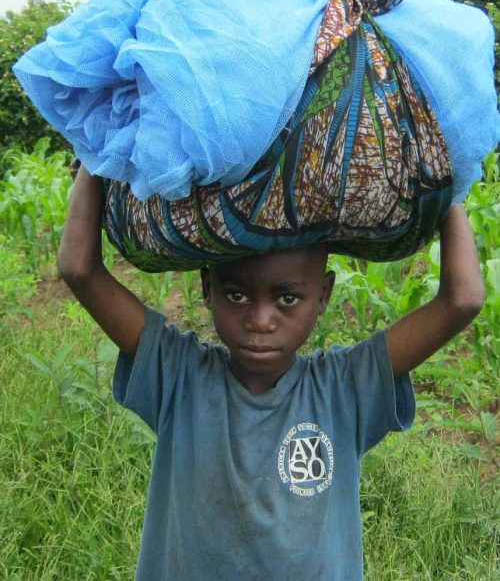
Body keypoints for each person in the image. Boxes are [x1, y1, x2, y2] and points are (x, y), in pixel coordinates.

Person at [58, 165, 485, 580]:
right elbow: (79, 269)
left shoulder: (345, 388)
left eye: (287, 299)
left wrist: (449, 176)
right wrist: (95, 161)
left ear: (323, 294)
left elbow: (462, 299)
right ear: (207, 287)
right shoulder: (178, 375)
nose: (260, 321)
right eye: (237, 295)